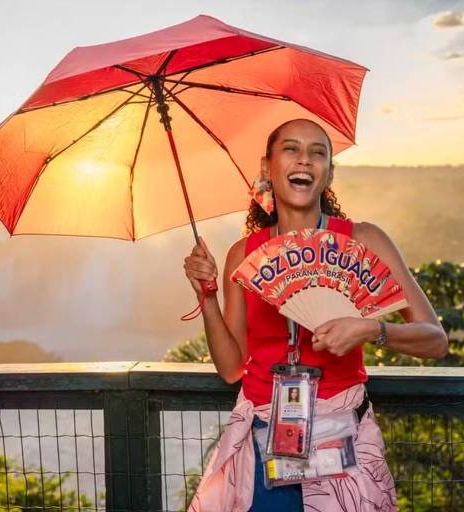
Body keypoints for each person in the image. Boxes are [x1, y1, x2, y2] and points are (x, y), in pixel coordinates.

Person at [184, 118, 448, 511]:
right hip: (264, 441)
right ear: (266, 168)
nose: (304, 159)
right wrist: (206, 297)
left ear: (329, 172)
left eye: (318, 152)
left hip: (343, 440)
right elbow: (230, 368)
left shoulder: (364, 240)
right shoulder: (243, 255)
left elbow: (435, 340)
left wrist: (370, 329)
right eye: (290, 149)